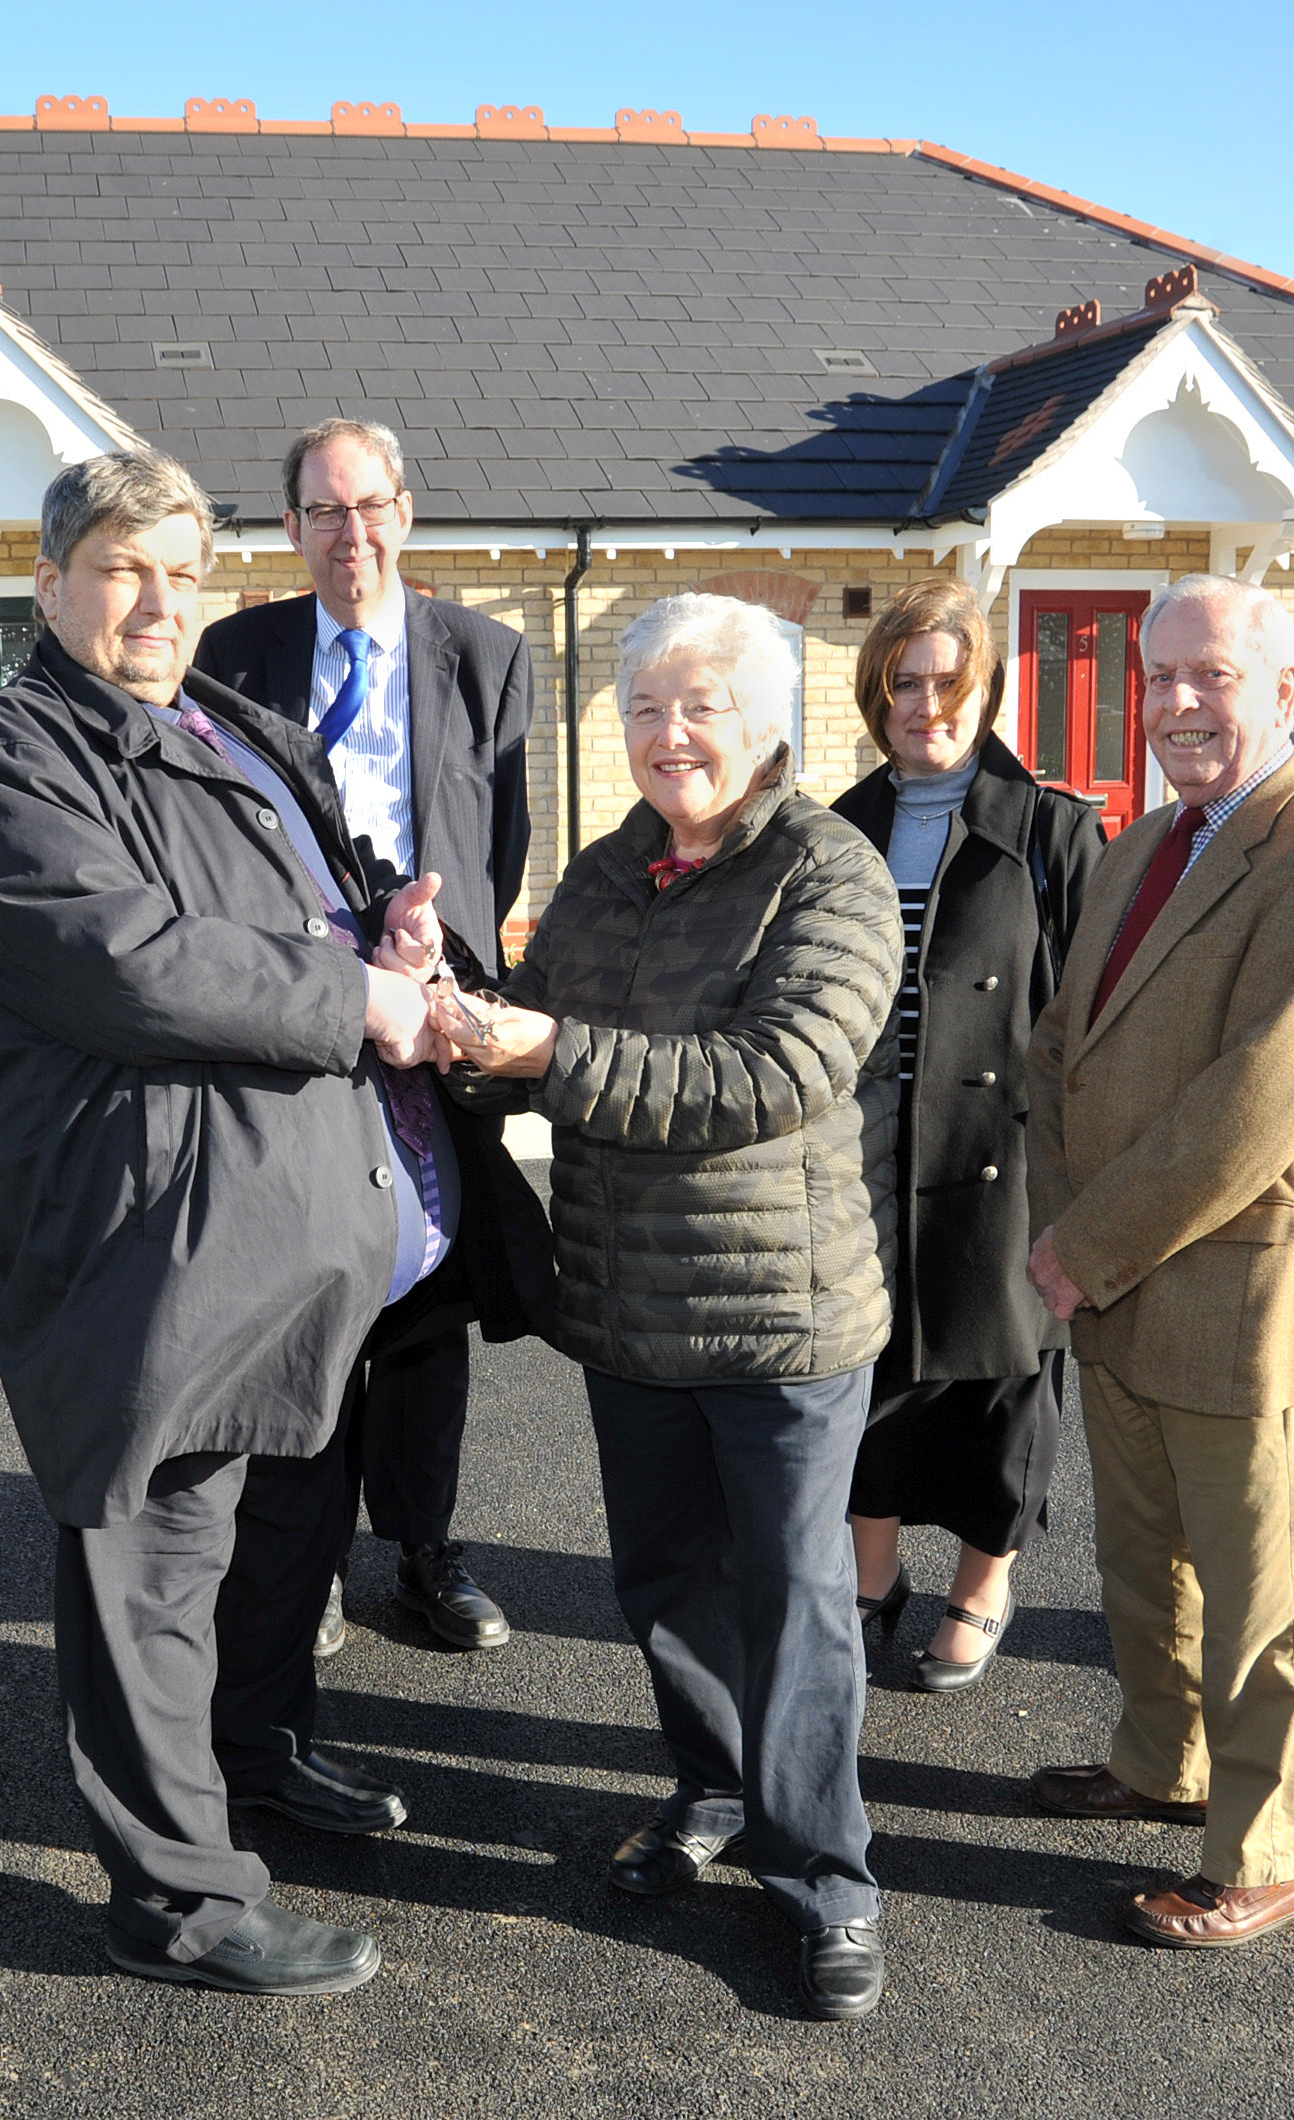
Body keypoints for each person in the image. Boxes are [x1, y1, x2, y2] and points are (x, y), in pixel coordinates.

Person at [0, 450, 538, 1997]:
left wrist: (384, 915)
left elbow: (310, 882)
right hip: (158, 1239)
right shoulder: (13, 758)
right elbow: (137, 960)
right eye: (124, 569)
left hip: (284, 1232)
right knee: (154, 1561)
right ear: (52, 580)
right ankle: (179, 1903)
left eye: (183, 573)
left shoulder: (221, 717)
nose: (157, 602)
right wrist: (363, 996)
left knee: (274, 1537)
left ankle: (249, 1775)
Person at [441, 591, 900, 2021]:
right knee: (666, 1584)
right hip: (628, 1309)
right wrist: (450, 1012)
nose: (670, 734)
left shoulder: (829, 873)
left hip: (780, 1316)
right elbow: (523, 1022)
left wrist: (539, 1048)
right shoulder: (603, 871)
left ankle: (826, 1879)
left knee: (801, 1599)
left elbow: (772, 1075)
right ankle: (708, 1790)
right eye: (646, 709)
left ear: (765, 725)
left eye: (701, 707)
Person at [1019, 575, 1294, 1948]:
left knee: (1266, 1602)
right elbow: (1063, 1044)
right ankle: (1157, 1763)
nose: (1176, 702)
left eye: (1211, 677)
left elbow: (1257, 1103)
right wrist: (1066, 1239)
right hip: (1113, 1285)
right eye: (1157, 675)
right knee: (1144, 1560)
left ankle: (1269, 1850)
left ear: (1283, 692)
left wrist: (1086, 1243)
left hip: (1240, 1293)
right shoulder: (1150, 842)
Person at [195, 418, 539, 1655]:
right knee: (309, 1280)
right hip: (296, 1009)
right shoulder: (231, 654)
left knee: (430, 1293)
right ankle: (310, 1552)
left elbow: (501, 837)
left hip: (433, 1010)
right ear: (291, 527)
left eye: (370, 505)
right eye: (324, 511)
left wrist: (455, 985)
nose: (351, 533)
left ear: (405, 511)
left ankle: (424, 1548)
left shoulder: (488, 655)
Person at [828, 579, 1101, 1693]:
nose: (926, 703)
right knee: (870, 1371)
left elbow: (1095, 1011)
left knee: (1002, 1384)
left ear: (985, 689)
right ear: (876, 691)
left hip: (1004, 1154)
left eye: (950, 681)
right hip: (864, 1147)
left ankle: (983, 1582)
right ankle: (868, 1573)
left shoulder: (1049, 828)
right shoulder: (837, 826)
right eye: (905, 681)